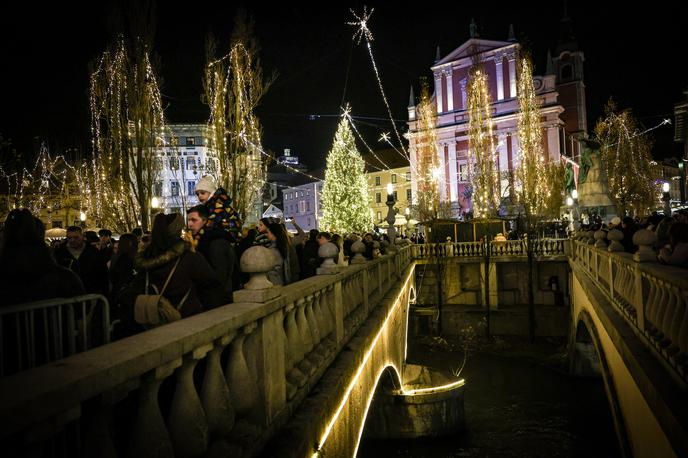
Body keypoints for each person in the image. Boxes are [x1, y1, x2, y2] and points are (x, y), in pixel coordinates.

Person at [118, 213, 223, 336]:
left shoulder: (145, 259)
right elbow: (212, 286)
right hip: (185, 323)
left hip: (149, 326)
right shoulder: (189, 258)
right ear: (177, 231)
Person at [187, 204, 238, 305]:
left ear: (205, 221)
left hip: (218, 302)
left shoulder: (216, 242)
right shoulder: (202, 241)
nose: (189, 225)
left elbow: (219, 278)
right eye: (188, 220)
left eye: (194, 220)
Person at [54, 226, 109, 295]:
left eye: (76, 237)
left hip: (90, 292)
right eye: (69, 238)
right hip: (67, 294)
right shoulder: (60, 253)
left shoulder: (93, 252)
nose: (72, 240)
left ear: (82, 236)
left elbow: (103, 273)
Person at [194, 175, 242, 242]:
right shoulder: (211, 206)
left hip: (229, 239)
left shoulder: (218, 205)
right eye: (197, 194)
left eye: (202, 193)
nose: (199, 196)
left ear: (211, 193)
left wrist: (196, 238)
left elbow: (210, 223)